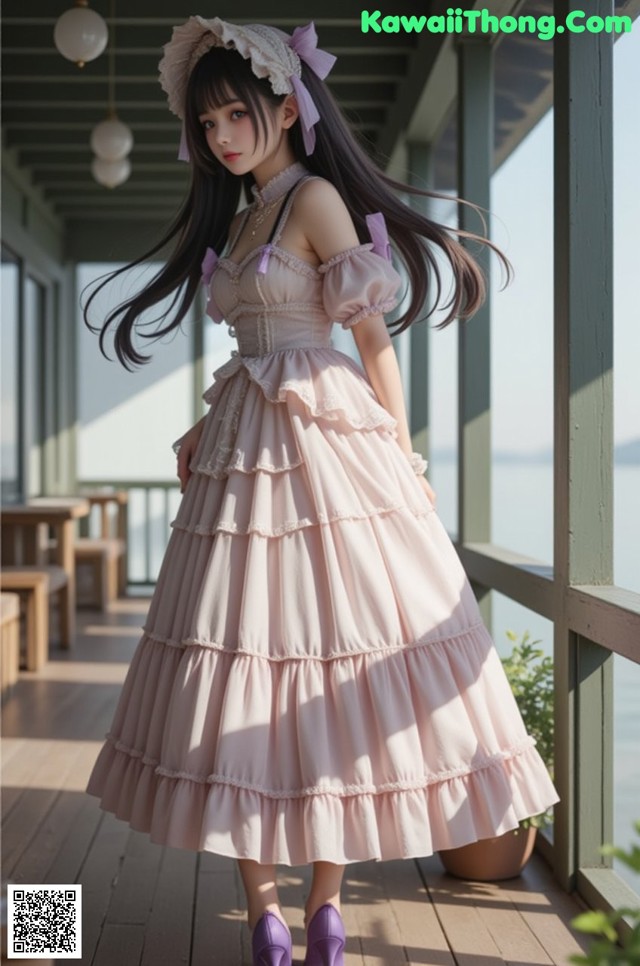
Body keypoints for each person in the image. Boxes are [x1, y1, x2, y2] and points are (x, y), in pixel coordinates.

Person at [83, 17, 560, 966]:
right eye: (207, 122)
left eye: (236, 114)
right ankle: (269, 914)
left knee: (336, 655)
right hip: (245, 446)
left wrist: (401, 454)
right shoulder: (244, 216)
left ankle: (325, 908)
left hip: (320, 442)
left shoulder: (313, 198)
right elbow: (253, 346)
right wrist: (203, 423)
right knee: (240, 656)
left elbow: (370, 339)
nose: (221, 135)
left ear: (286, 104)